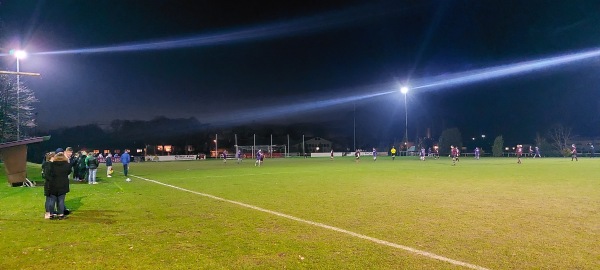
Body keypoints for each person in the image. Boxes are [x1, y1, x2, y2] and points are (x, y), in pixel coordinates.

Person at [47, 149, 72, 220]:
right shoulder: (67, 165)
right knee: (61, 200)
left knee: (52, 200)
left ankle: (51, 214)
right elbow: (69, 172)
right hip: (63, 184)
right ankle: (61, 214)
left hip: (53, 184)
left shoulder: (52, 165)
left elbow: (49, 173)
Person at [42, 151, 56, 219]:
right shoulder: (50, 165)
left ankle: (49, 213)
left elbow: (43, 175)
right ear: (52, 157)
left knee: (48, 198)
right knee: (50, 199)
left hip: (47, 183)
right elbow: (47, 175)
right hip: (50, 184)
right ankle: (49, 213)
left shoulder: (45, 164)